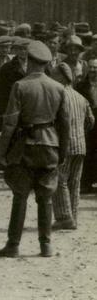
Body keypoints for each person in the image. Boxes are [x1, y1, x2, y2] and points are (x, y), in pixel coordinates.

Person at [0, 41, 70, 258]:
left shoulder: (20, 86)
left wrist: (2, 151)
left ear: (29, 61)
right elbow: (64, 124)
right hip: (50, 146)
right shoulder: (58, 87)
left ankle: (13, 244)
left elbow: (9, 124)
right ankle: (46, 245)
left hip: (24, 146)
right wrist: (62, 152)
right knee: (45, 198)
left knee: (20, 196)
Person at [51, 63, 94, 229]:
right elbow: (90, 121)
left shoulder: (59, 95)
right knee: (75, 182)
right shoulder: (81, 97)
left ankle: (63, 217)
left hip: (64, 145)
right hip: (81, 145)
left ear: (62, 76)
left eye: (54, 74)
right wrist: (80, 132)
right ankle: (73, 217)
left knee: (59, 179)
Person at [76, 57, 97, 193]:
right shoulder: (80, 86)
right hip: (87, 123)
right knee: (88, 152)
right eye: (91, 67)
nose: (93, 70)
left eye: (95, 68)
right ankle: (86, 183)